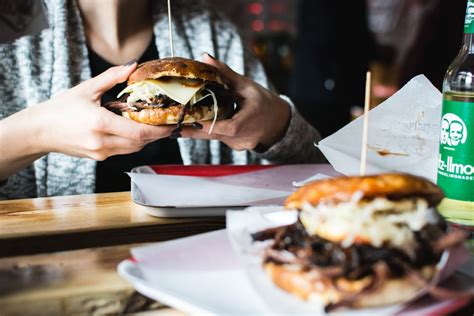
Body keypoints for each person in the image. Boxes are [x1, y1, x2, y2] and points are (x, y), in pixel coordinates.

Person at [0, 0, 324, 200]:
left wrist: (278, 127)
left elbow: (319, 172)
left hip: (204, 257)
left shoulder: (215, 34)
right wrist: (37, 132)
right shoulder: (13, 37)